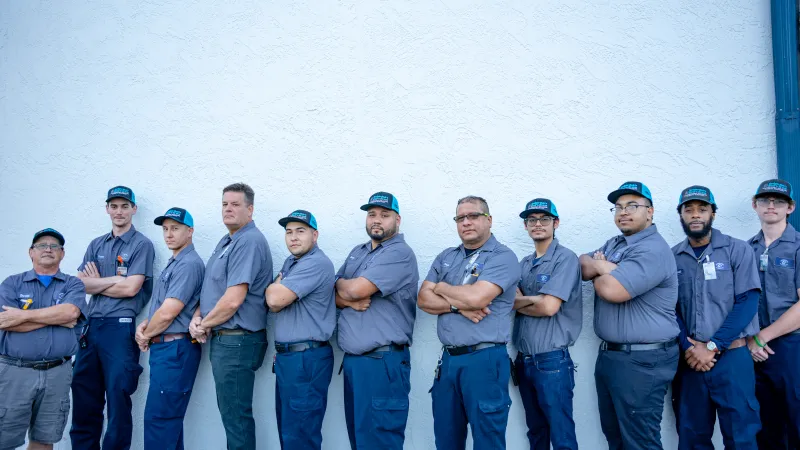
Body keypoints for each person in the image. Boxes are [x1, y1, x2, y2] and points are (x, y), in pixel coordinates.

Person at [579, 181, 679, 450]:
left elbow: (611, 290)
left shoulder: (653, 248)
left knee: (640, 442)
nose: (623, 212)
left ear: (650, 212)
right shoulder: (616, 243)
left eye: (633, 205)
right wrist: (604, 266)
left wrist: (602, 270)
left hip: (642, 360)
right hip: (615, 357)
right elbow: (583, 264)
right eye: (619, 207)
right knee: (617, 439)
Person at [418, 195, 521, 450]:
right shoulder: (447, 257)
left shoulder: (503, 257)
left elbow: (478, 297)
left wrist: (441, 287)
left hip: (484, 361)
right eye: (460, 218)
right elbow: (422, 299)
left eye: (473, 216)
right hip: (449, 361)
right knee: (446, 440)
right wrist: (456, 307)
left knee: (488, 441)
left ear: (489, 220)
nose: (466, 222)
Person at [671, 185, 761, 449]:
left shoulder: (737, 250)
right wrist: (689, 347)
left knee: (741, 435)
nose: (696, 215)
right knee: (691, 436)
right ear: (681, 215)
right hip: (690, 362)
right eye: (689, 210)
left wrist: (712, 346)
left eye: (702, 209)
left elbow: (748, 302)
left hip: (732, 359)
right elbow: (669, 309)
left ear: (713, 214)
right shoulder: (672, 257)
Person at [70, 186, 155, 450]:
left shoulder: (142, 244)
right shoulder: (96, 244)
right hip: (90, 328)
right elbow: (80, 285)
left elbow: (131, 288)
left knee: (118, 398)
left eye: (124, 206)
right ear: (107, 208)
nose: (119, 211)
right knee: (84, 396)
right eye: (114, 206)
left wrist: (98, 282)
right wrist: (114, 280)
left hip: (120, 329)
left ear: (133, 210)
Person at [190, 182, 272, 450]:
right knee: (231, 416)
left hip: (237, 341)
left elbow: (233, 299)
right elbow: (213, 289)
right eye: (225, 204)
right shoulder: (227, 240)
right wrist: (198, 315)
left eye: (235, 204)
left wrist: (203, 324)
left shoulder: (249, 240)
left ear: (250, 209)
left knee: (236, 418)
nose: (228, 209)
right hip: (226, 339)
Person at [335, 192, 419, 450]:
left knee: (380, 442)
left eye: (385, 215)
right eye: (372, 214)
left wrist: (346, 290)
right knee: (360, 441)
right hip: (354, 363)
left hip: (382, 363)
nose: (377, 220)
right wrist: (346, 294)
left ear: (398, 219)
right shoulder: (357, 252)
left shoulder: (399, 253)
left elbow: (356, 290)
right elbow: (332, 294)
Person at [0, 229, 86, 450]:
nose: (48, 249)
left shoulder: (72, 285)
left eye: (54, 246)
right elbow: (5, 321)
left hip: (57, 372)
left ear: (62, 253)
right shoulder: (12, 283)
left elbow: (70, 314)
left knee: (44, 439)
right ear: (31, 252)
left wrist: (22, 315)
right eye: (41, 245)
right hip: (15, 373)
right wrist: (56, 318)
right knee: (4, 439)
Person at [513, 198, 582, 450]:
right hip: (524, 360)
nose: (538, 224)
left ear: (556, 223)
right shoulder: (523, 263)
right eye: (532, 220)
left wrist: (522, 301)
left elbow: (549, 307)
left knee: (561, 436)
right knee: (536, 433)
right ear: (526, 226)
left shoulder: (566, 259)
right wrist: (533, 300)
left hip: (551, 361)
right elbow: (510, 302)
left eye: (544, 219)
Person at [134, 208, 205, 450]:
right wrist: (147, 324)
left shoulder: (188, 264)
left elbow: (167, 314)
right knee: (167, 424)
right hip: (167, 348)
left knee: (160, 422)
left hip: (174, 349)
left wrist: (145, 333)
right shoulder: (176, 262)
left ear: (190, 231)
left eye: (175, 228)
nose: (168, 234)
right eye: (165, 229)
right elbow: (160, 310)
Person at [265, 210, 335, 450]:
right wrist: (276, 291)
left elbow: (274, 300)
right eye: (289, 232)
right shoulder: (292, 263)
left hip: (306, 359)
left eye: (300, 231)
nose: (293, 237)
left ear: (314, 235)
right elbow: (274, 302)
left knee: (301, 437)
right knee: (289, 432)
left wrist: (275, 287)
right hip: (290, 359)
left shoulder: (315, 263)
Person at [747, 178, 800, 448]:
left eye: (778, 201)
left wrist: (761, 337)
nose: (771, 205)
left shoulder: (799, 246)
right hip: (752, 350)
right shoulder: (745, 249)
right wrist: (750, 339)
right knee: (764, 426)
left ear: (790, 208)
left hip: (791, 347)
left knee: (796, 420)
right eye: (765, 200)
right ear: (755, 205)